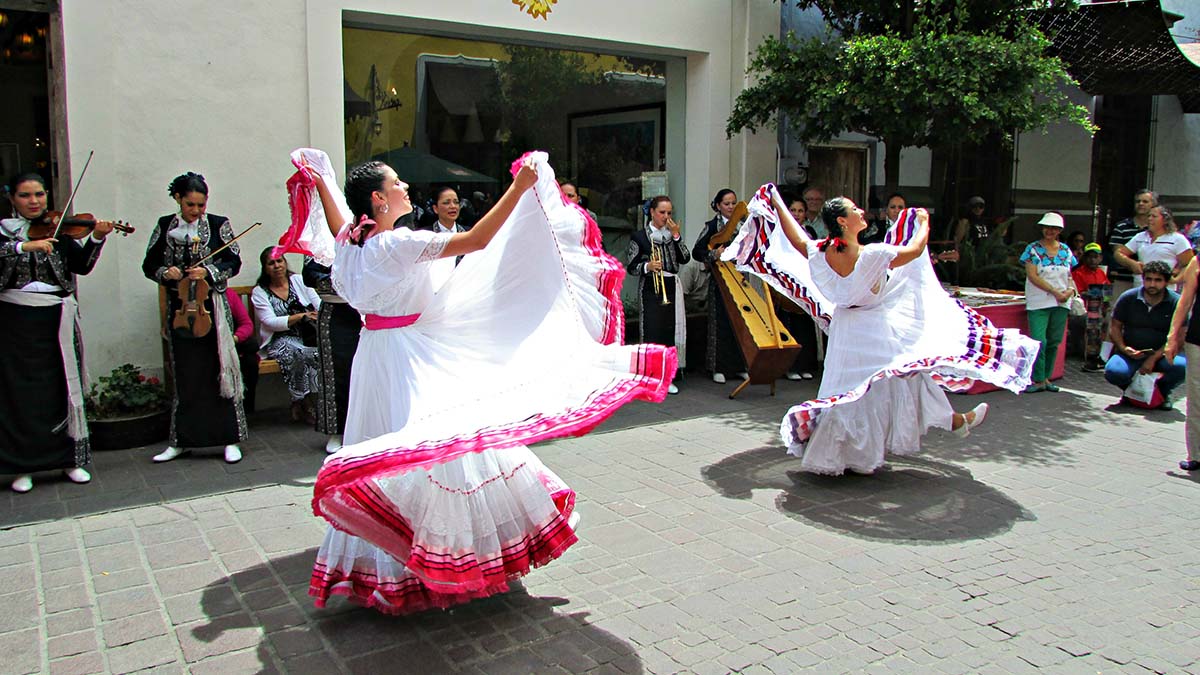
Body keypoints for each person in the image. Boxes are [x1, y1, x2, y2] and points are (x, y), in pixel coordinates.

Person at [302, 152, 676, 615]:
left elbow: (339, 213)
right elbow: (478, 240)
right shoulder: (394, 245)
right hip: (409, 357)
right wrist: (518, 188)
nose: (405, 188)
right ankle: (432, 562)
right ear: (379, 199)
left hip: (375, 356)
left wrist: (322, 178)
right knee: (440, 452)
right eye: (396, 184)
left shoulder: (352, 243)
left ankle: (394, 564)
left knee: (404, 454)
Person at [725, 185, 1036, 475]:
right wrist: (924, 222)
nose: (861, 211)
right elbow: (914, 251)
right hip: (872, 327)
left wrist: (776, 202)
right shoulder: (872, 254)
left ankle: (847, 452)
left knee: (857, 389)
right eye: (854, 210)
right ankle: (949, 423)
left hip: (847, 330)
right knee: (904, 377)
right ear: (843, 222)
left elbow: (795, 239)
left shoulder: (820, 250)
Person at [0, 172, 115, 493]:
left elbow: (81, 266)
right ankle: (25, 466)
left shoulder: (59, 230)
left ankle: (68, 460)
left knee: (61, 388)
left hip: (56, 317)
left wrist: (96, 239)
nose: (34, 201)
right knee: (22, 395)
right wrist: (25, 245)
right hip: (16, 320)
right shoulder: (4, 232)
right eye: (25, 195)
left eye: (39, 194)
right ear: (12, 199)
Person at [142, 172, 246, 464]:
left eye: (201, 205)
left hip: (210, 306)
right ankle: (181, 440)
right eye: (191, 205)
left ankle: (229, 438)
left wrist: (209, 272)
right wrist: (167, 273)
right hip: (179, 309)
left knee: (219, 368)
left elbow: (234, 261)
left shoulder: (218, 224)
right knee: (186, 373)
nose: (197, 210)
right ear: (178, 199)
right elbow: (149, 264)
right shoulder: (165, 226)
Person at [627, 195, 690, 394]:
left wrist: (677, 236)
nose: (666, 216)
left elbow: (686, 258)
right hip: (651, 288)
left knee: (669, 331)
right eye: (662, 212)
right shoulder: (640, 237)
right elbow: (631, 266)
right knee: (653, 331)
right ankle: (651, 377)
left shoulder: (673, 234)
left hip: (671, 284)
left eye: (669, 213)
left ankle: (668, 375)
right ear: (652, 212)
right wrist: (647, 265)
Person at [251, 248, 321, 424]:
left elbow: (318, 305)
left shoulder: (298, 281)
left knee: (316, 353)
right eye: (271, 263)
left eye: (279, 261)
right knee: (296, 353)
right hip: (280, 339)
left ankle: (304, 401)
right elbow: (269, 321)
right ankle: (304, 403)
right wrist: (300, 316)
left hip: (307, 335)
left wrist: (312, 315)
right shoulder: (260, 292)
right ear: (265, 268)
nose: (276, 266)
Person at [1104, 261, 1185, 407]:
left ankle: (1162, 395)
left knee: (1181, 367)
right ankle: (1130, 393)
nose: (1152, 284)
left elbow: (1179, 337)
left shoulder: (1176, 302)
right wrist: (1123, 348)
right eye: (1148, 279)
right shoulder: (1128, 297)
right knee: (1113, 371)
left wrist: (1154, 358)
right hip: (1131, 353)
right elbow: (1115, 327)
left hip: (1161, 354)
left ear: (1166, 282)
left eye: (1158, 280)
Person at [302, 257, 359, 454]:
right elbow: (309, 273)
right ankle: (338, 430)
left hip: (370, 310)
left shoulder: (373, 228)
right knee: (337, 371)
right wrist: (339, 280)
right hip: (336, 310)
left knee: (372, 370)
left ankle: (368, 429)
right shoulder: (321, 234)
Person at [691, 188, 747, 384]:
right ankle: (718, 367)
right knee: (720, 322)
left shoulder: (744, 225)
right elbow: (697, 251)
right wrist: (714, 254)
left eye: (733, 203)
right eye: (726, 203)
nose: (731, 207)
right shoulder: (712, 226)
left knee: (741, 322)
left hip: (739, 277)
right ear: (718, 205)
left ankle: (739, 366)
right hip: (720, 278)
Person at [1020, 211, 1077, 393]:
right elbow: (1032, 275)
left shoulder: (1066, 251)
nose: (1049, 231)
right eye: (1046, 227)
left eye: (1053, 228)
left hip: (1061, 302)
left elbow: (1069, 275)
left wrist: (1069, 291)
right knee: (1039, 340)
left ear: (1059, 230)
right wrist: (1054, 292)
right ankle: (1037, 378)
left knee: (1054, 341)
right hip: (1039, 301)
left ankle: (1046, 377)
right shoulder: (1033, 249)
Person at [1166, 258, 1200, 471]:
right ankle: (1195, 453)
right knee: (1196, 397)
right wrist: (1172, 336)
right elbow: (1185, 301)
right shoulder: (1197, 262)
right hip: (1198, 340)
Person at [1115, 204, 1193, 286]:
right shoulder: (1140, 237)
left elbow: (1190, 264)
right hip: (1140, 287)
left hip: (1165, 290)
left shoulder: (1177, 239)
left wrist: (1176, 280)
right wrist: (1131, 263)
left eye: (1154, 216)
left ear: (1165, 220)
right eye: (1148, 216)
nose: (1149, 219)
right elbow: (1118, 253)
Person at [1106, 189, 1157, 298]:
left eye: (1145, 201)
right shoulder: (1122, 227)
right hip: (1123, 279)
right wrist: (1132, 264)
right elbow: (1117, 252)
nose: (1141, 204)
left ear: (1153, 205)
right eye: (1138, 201)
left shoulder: (1158, 229)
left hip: (1151, 281)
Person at [1073, 242, 1112, 372]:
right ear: (1084, 258)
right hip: (1083, 310)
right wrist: (1095, 292)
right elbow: (1077, 293)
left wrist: (1106, 302)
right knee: (1094, 322)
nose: (1093, 259)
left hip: (1100, 308)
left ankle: (1103, 356)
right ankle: (1091, 358)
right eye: (1090, 256)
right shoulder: (1078, 273)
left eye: (1096, 256)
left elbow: (1108, 292)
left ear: (1100, 258)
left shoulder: (1101, 273)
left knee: (1112, 321)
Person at [224, 287, 260, 413]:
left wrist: (235, 338)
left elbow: (246, 324)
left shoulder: (228, 294)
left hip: (232, 342)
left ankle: (245, 410)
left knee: (250, 359)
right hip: (210, 346)